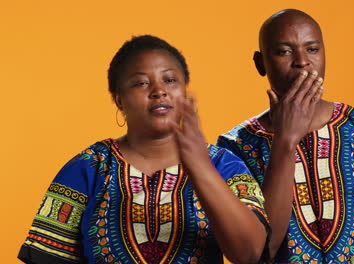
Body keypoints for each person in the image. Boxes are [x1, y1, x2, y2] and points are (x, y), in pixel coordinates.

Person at [18, 35, 269, 264]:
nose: (159, 91)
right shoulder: (89, 167)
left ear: (184, 91)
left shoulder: (223, 165)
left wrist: (201, 169)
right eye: (140, 83)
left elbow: (250, 254)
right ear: (119, 99)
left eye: (170, 80)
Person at [217, 9, 354, 264]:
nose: (302, 61)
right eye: (284, 51)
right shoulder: (234, 148)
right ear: (260, 63)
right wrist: (285, 140)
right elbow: (260, 250)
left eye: (312, 49)